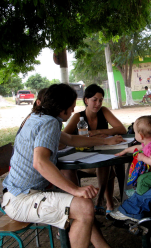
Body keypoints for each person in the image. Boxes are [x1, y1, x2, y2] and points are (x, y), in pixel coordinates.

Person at [2, 84, 124, 248]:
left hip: (17, 194)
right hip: (22, 199)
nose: (73, 110)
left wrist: (105, 140)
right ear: (62, 107)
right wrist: (75, 189)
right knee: (84, 207)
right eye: (72, 106)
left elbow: (71, 139)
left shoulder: (39, 117)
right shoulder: (50, 122)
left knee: (82, 204)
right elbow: (40, 162)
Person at [61, 84, 127, 214]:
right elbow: (64, 137)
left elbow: (122, 129)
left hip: (99, 155)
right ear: (86, 100)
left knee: (106, 163)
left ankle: (102, 200)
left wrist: (96, 131)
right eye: (94, 100)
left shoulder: (104, 112)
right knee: (109, 170)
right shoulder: (78, 117)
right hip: (82, 159)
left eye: (100, 100)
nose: (98, 103)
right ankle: (105, 202)